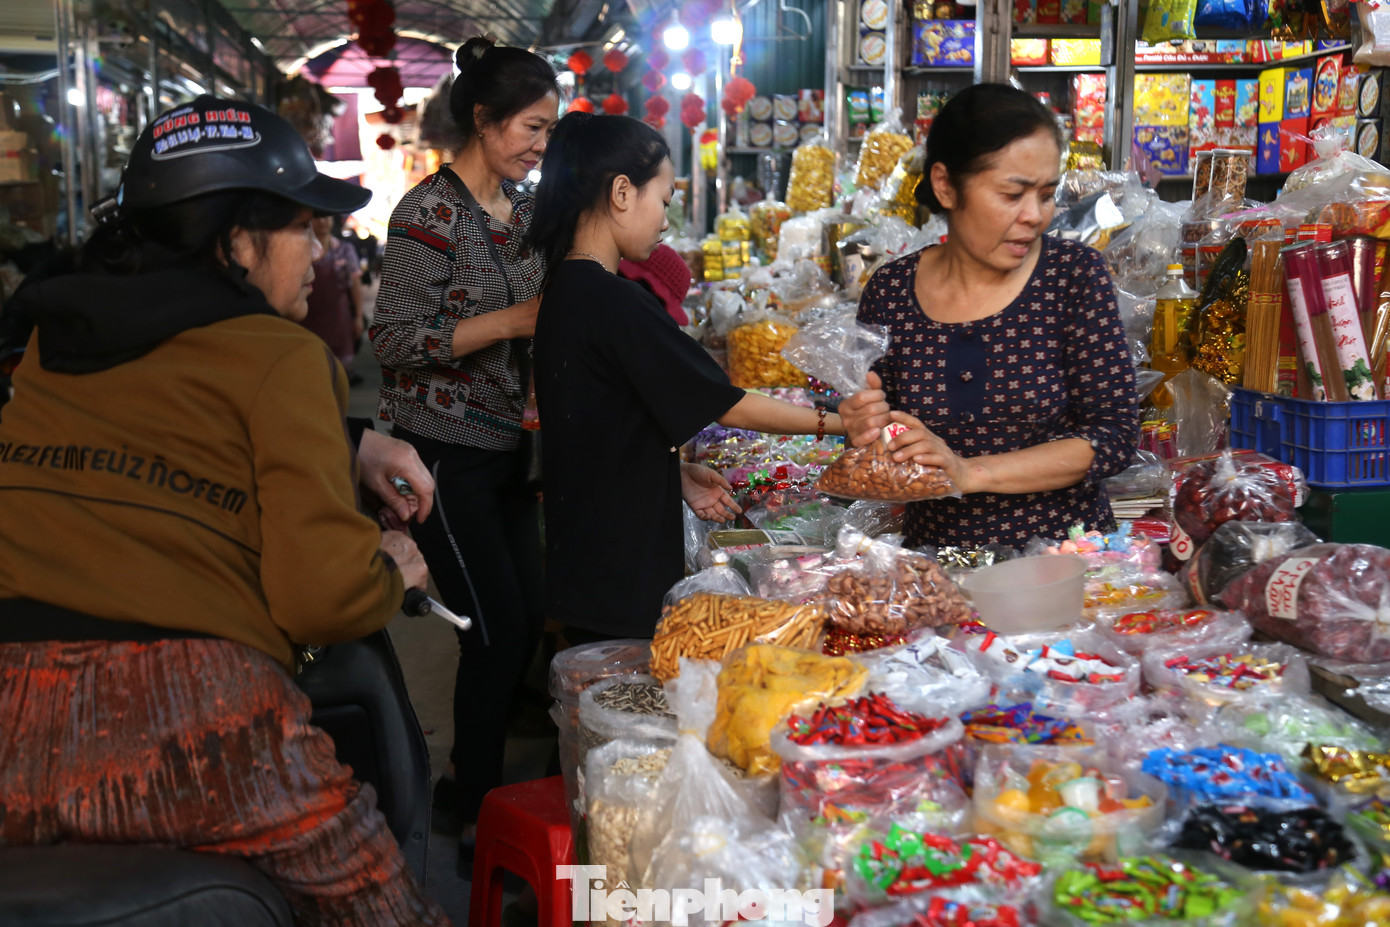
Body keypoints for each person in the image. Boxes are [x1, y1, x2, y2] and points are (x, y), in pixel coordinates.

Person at [0, 96, 447, 925]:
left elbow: (164, 420)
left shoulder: (53, 339)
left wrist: (348, 442)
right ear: (234, 241)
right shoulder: (283, 357)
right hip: (195, 725)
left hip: (11, 712)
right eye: (301, 230)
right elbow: (320, 597)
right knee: (383, 900)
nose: (320, 254)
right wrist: (393, 566)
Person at [527, 113, 870, 642]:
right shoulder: (614, 301)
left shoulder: (568, 288)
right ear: (622, 192)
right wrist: (832, 421)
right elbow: (726, 403)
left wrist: (673, 477)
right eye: (663, 201)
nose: (665, 222)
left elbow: (600, 426)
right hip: (620, 559)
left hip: (587, 548)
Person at [369, 35, 558, 846]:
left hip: (507, 449)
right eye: (532, 128)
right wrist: (511, 322)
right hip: (438, 454)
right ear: (483, 121)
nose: (541, 145)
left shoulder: (522, 214)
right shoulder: (428, 213)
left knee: (522, 618)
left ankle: (475, 783)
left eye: (550, 130)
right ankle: (469, 794)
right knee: (495, 628)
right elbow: (396, 338)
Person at [838, 84, 1139, 550]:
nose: (1035, 216)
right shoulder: (891, 291)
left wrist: (969, 471)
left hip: (1065, 564)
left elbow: (1113, 436)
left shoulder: (1072, 276)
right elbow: (882, 443)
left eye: (1045, 194)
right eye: (1012, 194)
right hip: (936, 570)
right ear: (945, 185)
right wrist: (865, 430)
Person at [302, 214, 365, 380]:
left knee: (340, 370)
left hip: (339, 315)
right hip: (308, 315)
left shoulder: (344, 249)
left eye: (326, 218)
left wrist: (358, 316)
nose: (322, 221)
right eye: (317, 218)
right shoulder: (302, 248)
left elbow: (355, 283)